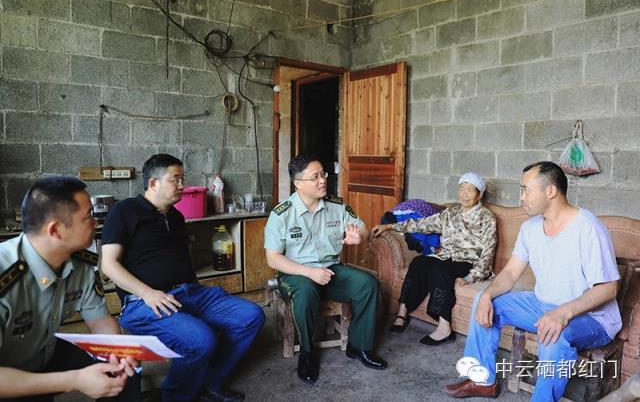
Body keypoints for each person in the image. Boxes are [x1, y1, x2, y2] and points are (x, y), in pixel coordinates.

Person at [444, 162, 622, 401]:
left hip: (592, 318)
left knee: (553, 334)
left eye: (525, 190)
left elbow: (609, 288)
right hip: (543, 304)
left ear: (550, 191)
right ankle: (482, 380)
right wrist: (486, 294)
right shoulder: (530, 228)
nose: (521, 197)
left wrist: (562, 313)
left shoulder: (588, 228)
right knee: (485, 301)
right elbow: (509, 274)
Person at [100, 154, 265, 402]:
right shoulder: (125, 211)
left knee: (251, 316)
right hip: (144, 302)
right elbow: (108, 265)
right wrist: (148, 293)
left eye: (182, 179)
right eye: (175, 179)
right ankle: (175, 396)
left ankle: (211, 383)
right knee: (201, 340)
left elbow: (183, 260)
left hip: (190, 293)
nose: (182, 185)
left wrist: (196, 290)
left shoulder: (176, 216)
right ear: (153, 183)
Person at [0, 176, 140, 401]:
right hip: (7, 373)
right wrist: (74, 380)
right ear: (56, 230)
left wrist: (117, 352)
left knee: (122, 371)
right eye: (89, 216)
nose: (96, 223)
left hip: (44, 351)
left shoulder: (81, 263)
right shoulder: (5, 273)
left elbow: (100, 321)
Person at [264, 154, 387, 385]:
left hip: (330, 269)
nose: (323, 181)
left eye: (323, 174)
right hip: (295, 273)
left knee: (367, 284)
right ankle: (307, 353)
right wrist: (309, 273)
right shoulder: (282, 214)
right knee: (305, 291)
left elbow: (362, 228)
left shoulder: (336, 205)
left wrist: (358, 237)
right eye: (315, 177)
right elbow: (273, 259)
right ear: (298, 183)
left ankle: (360, 346)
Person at [372, 172, 497, 345]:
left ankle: (445, 328)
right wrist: (390, 226)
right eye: (462, 189)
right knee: (419, 262)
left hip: (469, 262)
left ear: (480, 194)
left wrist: (471, 277)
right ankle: (402, 311)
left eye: (470, 190)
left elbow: (488, 251)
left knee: (440, 270)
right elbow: (424, 224)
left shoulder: (487, 217)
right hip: (447, 257)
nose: (464, 194)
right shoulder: (451, 213)